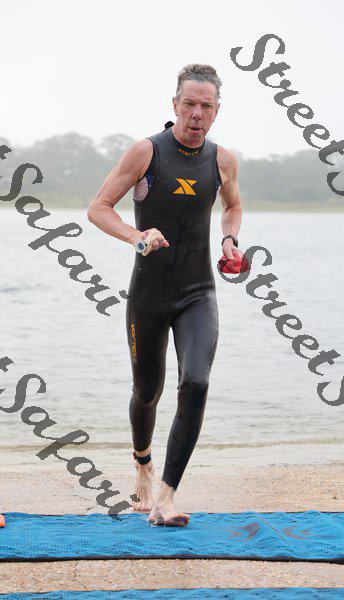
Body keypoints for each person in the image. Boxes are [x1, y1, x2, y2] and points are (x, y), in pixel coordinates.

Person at [88, 64, 243, 526]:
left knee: (195, 382)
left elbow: (233, 205)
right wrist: (136, 236)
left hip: (198, 292)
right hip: (148, 295)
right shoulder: (146, 152)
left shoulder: (222, 160)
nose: (197, 113)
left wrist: (230, 239)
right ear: (174, 105)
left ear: (217, 111)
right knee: (147, 390)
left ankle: (166, 498)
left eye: (206, 106)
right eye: (189, 104)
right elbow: (98, 208)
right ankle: (142, 462)